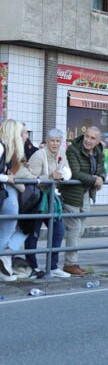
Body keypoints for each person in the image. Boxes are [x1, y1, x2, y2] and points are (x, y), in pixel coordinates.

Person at [24, 128, 71, 277]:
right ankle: (32, 267)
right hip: (37, 199)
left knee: (58, 231)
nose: (55, 144)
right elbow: (31, 179)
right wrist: (50, 176)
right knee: (34, 233)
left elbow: (66, 170)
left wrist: (64, 176)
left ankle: (53, 266)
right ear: (47, 141)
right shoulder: (38, 155)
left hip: (51, 198)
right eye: (52, 141)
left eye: (58, 141)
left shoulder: (62, 153)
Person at [61, 126, 106, 276]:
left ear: (98, 141)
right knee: (74, 228)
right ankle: (70, 264)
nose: (88, 140)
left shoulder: (99, 152)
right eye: (87, 136)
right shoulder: (73, 149)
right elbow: (76, 173)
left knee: (79, 230)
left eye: (93, 138)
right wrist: (96, 180)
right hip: (72, 195)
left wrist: (101, 179)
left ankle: (72, 261)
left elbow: (102, 171)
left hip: (86, 194)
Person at [0, 119, 32, 281]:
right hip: (6, 195)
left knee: (8, 230)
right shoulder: (4, 149)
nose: (24, 136)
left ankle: (4, 266)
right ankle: (3, 268)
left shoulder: (9, 150)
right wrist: (7, 178)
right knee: (6, 231)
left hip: (6, 195)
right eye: (22, 133)